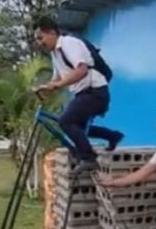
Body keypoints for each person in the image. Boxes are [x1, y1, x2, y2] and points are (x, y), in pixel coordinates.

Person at [33, 17, 124, 174]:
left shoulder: (69, 43)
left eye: (41, 38)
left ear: (52, 33)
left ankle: (89, 158)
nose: (39, 43)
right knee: (79, 129)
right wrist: (45, 87)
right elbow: (58, 78)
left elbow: (81, 70)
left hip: (95, 92)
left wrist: (58, 85)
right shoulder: (55, 53)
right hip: (84, 93)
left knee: (66, 122)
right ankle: (113, 136)